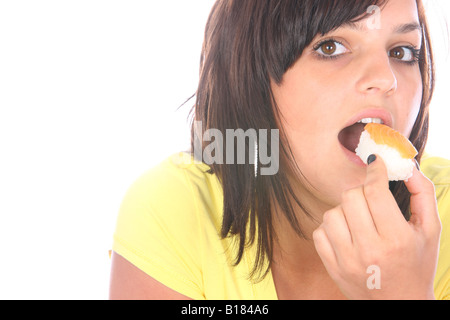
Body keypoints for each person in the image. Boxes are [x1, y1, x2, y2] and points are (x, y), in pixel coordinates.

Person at [109, 0, 450, 300]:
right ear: (251, 81)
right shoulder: (176, 211)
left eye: (402, 52)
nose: (386, 78)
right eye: (331, 47)